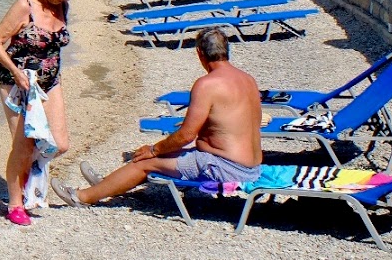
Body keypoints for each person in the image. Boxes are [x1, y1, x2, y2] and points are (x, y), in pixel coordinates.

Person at [54, 28, 262, 207]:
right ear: (226, 51)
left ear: (200, 54)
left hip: (226, 169)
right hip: (251, 167)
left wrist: (154, 149)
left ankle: (82, 197)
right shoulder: (248, 80)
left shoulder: (207, 84)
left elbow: (186, 135)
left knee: (146, 161)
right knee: (167, 154)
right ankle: (107, 183)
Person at [0, 0, 84, 226]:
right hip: (17, 83)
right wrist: (17, 73)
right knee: (23, 146)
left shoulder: (62, 6)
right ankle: (15, 202)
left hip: (51, 81)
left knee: (60, 144)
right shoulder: (24, 6)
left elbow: (55, 43)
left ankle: (29, 173)